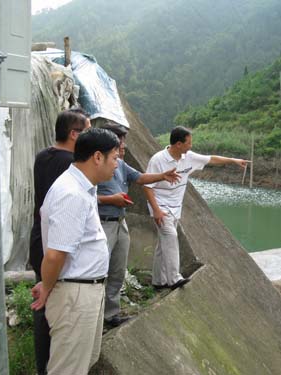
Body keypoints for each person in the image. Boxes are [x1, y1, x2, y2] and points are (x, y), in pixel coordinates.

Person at [31, 128, 120, 375]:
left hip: (84, 290)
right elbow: (54, 254)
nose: (117, 164)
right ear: (98, 157)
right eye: (115, 157)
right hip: (75, 295)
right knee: (68, 369)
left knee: (82, 363)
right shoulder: (71, 193)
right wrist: (48, 287)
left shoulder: (83, 188)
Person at [143, 126, 248, 290]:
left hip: (175, 207)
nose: (191, 146)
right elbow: (147, 186)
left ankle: (158, 280)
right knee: (171, 236)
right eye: (189, 143)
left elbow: (211, 159)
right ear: (178, 144)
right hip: (160, 206)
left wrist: (233, 160)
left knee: (163, 244)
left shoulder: (188, 157)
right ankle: (174, 279)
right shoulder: (158, 160)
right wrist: (156, 209)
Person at [96, 122, 179, 328]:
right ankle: (94, 317)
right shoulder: (95, 166)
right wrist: (110, 200)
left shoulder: (120, 164)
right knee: (97, 271)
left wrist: (162, 176)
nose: (123, 147)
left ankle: (110, 314)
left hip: (120, 223)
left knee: (117, 270)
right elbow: (86, 196)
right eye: (119, 143)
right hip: (102, 224)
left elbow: (140, 177)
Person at [29, 108, 90, 375]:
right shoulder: (71, 164)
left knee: (43, 297)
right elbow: (69, 206)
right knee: (53, 300)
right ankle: (54, 363)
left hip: (38, 238)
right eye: (87, 132)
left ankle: (42, 362)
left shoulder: (43, 156)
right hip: (57, 242)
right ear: (74, 134)